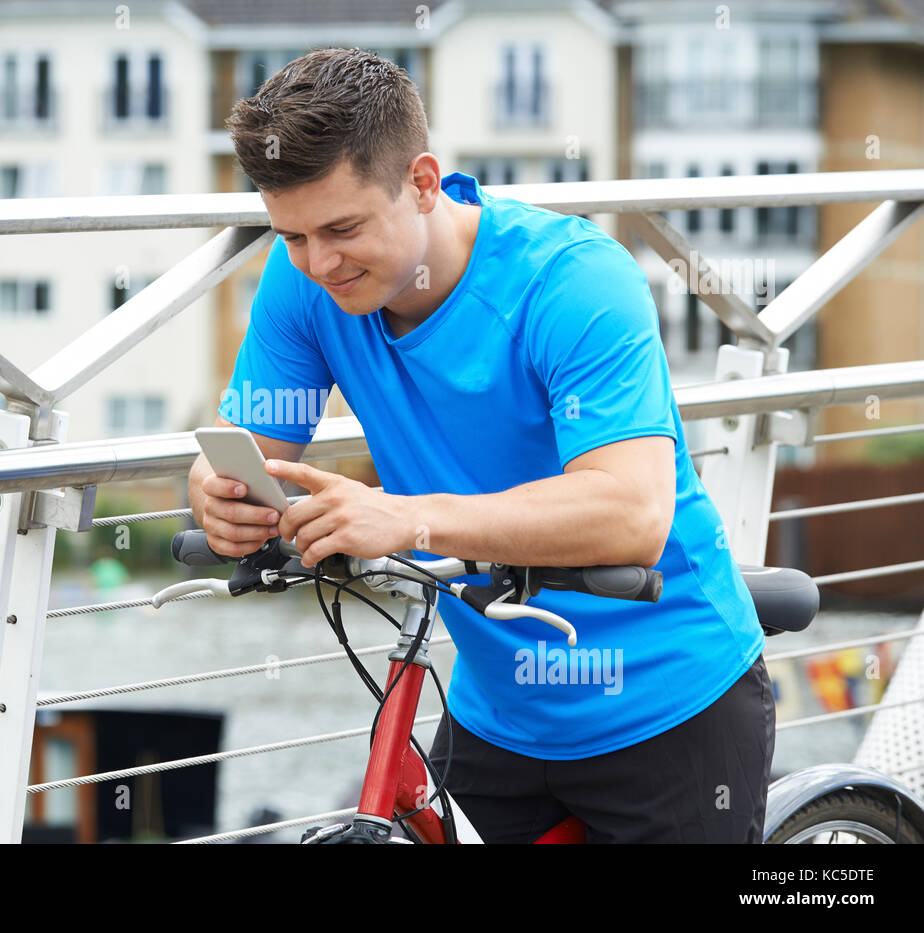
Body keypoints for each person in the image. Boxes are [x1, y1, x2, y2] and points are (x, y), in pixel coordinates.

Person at [186, 47, 773, 842]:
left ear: (423, 183)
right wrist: (221, 496)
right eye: (291, 235)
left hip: (667, 701)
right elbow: (248, 449)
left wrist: (406, 519)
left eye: (342, 228)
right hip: (497, 710)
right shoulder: (306, 284)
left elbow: (631, 514)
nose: (318, 262)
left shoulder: (574, 280)